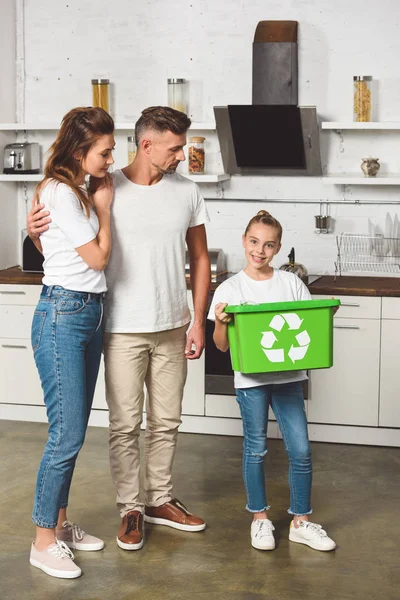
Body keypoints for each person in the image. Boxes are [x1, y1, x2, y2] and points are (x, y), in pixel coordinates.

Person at [27, 106, 211, 552]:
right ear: (146, 145)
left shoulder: (187, 192)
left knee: (166, 421)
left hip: (173, 323)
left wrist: (198, 321)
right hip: (119, 325)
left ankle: (159, 500)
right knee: (125, 425)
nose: (181, 156)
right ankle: (130, 507)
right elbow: (64, 243)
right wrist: (31, 231)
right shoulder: (99, 186)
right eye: (174, 148)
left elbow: (201, 258)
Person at [208, 210, 336, 552]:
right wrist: (221, 322)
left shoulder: (290, 283)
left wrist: (322, 319)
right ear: (244, 241)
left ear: (278, 248)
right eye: (254, 242)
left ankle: (300, 521)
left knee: (302, 450)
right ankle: (260, 519)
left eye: (268, 245)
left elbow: (306, 329)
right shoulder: (230, 288)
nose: (259, 250)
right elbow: (221, 346)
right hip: (250, 382)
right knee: (256, 449)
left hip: (288, 378)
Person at [28, 106, 115, 579]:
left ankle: (59, 526)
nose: (110, 157)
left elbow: (55, 249)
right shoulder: (63, 191)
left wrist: (34, 233)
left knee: (72, 429)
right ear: (81, 151)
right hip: (64, 313)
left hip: (85, 313)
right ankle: (42, 542)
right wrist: (103, 209)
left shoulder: (72, 190)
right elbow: (98, 259)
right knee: (66, 435)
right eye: (104, 150)